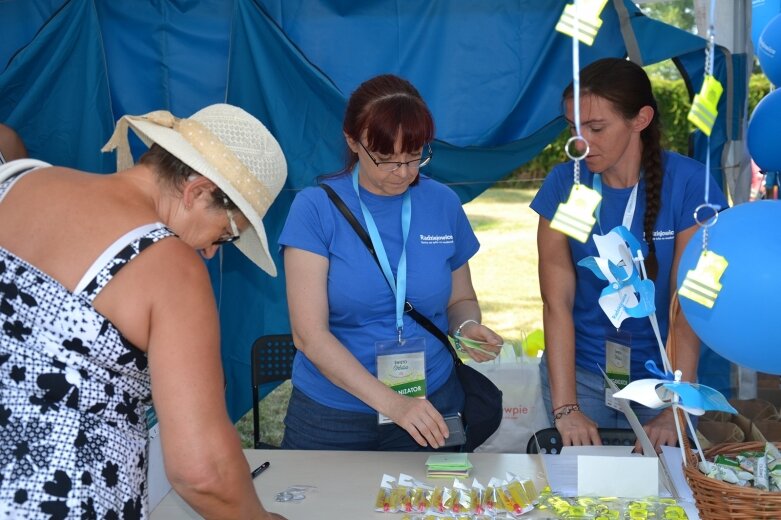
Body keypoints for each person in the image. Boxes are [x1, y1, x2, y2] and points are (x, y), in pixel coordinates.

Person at [0, 104, 288, 519]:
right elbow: (201, 470)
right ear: (197, 191)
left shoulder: (22, 179)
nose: (209, 252)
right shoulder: (168, 263)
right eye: (225, 235)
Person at [279, 74, 502, 451]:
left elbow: (459, 300)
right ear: (352, 140)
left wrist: (467, 327)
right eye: (385, 160)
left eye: (414, 157)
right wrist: (394, 405)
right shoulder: (314, 210)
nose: (403, 173)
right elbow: (308, 336)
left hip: (432, 402)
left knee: (426, 510)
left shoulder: (443, 203)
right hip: (333, 414)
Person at [530, 58, 727, 451]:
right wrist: (566, 408)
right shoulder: (566, 186)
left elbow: (686, 304)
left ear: (641, 119)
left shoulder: (691, 186)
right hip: (583, 377)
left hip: (665, 381)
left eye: (596, 128)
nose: (580, 143)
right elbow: (557, 302)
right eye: (573, 128)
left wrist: (674, 404)